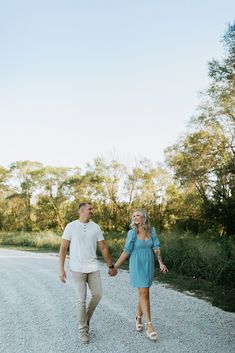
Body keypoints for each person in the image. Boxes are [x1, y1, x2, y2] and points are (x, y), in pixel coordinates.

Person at [59, 202, 117, 344]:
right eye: (90, 209)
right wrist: (61, 269)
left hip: (93, 268)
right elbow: (63, 248)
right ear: (81, 210)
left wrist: (111, 265)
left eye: (92, 208)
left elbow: (103, 247)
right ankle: (83, 330)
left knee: (98, 294)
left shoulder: (95, 227)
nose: (92, 210)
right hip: (77, 268)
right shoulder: (71, 226)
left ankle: (85, 319)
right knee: (81, 299)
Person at [114, 208, 168, 341]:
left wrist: (161, 263)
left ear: (144, 217)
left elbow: (156, 247)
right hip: (137, 264)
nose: (135, 217)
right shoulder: (132, 233)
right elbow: (126, 251)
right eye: (133, 216)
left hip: (148, 264)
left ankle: (138, 318)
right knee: (144, 293)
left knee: (143, 292)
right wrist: (115, 267)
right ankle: (149, 325)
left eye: (137, 215)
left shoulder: (152, 231)